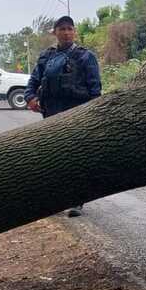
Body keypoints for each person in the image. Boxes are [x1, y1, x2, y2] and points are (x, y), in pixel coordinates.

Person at [25, 16, 102, 216]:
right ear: (55, 32)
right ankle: (56, 199)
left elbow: (95, 90)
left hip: (78, 114)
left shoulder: (86, 57)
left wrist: (93, 116)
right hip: (51, 114)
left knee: (76, 158)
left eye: (70, 29)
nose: (66, 32)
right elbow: (33, 82)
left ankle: (77, 200)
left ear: (74, 32)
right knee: (53, 157)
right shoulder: (46, 57)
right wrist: (31, 98)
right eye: (62, 29)